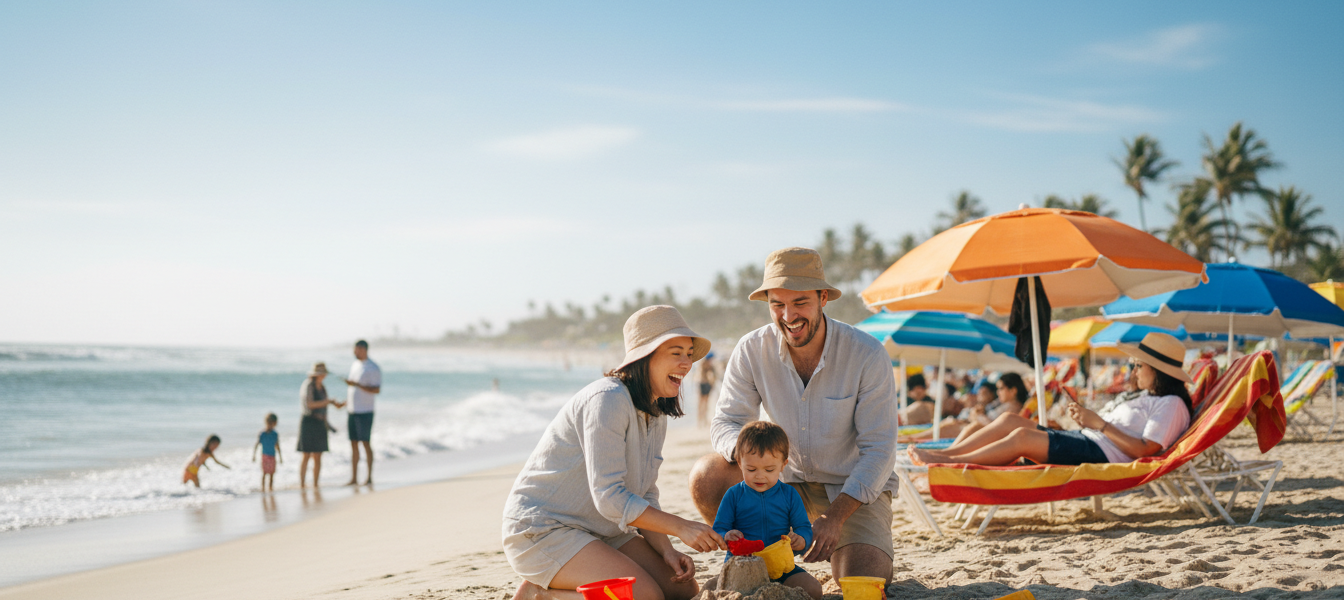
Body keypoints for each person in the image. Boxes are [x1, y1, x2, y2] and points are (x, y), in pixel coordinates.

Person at [690, 247, 898, 585]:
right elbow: (727, 421)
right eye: (777, 304)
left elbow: (880, 450)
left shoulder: (867, 353)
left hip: (852, 491)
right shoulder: (750, 349)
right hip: (782, 482)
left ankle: (842, 550)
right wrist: (755, 460)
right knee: (708, 474)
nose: (788, 315)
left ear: (823, 299)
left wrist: (834, 517)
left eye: (800, 302)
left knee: (864, 581)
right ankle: (758, 559)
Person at [503, 306, 725, 600]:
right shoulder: (607, 399)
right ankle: (543, 594)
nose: (687, 363)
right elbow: (609, 498)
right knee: (645, 597)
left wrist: (666, 549)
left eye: (688, 353)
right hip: (543, 530)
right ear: (644, 357)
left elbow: (644, 492)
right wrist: (680, 526)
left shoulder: (655, 410)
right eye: (676, 352)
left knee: (681, 588)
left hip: (600, 530)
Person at [911, 332, 1194, 467]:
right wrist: (1090, 422)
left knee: (1022, 436)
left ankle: (950, 462)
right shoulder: (1147, 396)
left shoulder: (1171, 405)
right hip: (1089, 440)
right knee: (1010, 419)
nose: (1134, 370)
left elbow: (1146, 450)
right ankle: (945, 455)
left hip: (1101, 453)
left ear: (1158, 371)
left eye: (1138, 365)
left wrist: (1100, 424)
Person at [713, 421, 821, 600]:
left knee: (813, 589)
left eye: (769, 469)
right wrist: (726, 535)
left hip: (781, 567)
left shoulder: (789, 495)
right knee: (714, 588)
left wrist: (801, 540)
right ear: (740, 463)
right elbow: (718, 528)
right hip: (742, 566)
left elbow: (803, 526)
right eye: (751, 469)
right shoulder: (733, 495)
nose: (760, 475)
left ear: (783, 464)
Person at [298, 362, 345, 487]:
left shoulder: (322, 387)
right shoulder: (308, 385)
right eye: (322, 374)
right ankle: (302, 484)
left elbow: (323, 405)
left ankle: (315, 484)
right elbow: (309, 404)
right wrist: (327, 402)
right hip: (309, 422)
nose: (323, 376)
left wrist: (335, 404)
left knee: (318, 456)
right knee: (306, 454)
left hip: (320, 423)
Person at [344, 340, 381, 486]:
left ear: (363, 349)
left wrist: (357, 385)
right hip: (352, 410)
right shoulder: (355, 365)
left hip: (365, 411)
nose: (354, 353)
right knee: (353, 444)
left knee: (366, 443)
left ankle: (369, 477)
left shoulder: (373, 367)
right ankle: (354, 478)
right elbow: (353, 389)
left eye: (356, 350)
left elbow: (376, 390)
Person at [252, 413, 282, 491]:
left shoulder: (275, 434)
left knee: (272, 473)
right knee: (264, 473)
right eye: (269, 423)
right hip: (264, 456)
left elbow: (277, 446)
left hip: (272, 456)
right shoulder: (262, 434)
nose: (270, 425)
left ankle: (270, 488)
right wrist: (254, 455)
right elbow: (257, 444)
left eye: (272, 424)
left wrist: (280, 457)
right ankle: (263, 488)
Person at [696, 353, 717, 428]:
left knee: (704, 403)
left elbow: (713, 376)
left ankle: (703, 420)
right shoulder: (704, 364)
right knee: (702, 403)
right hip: (704, 384)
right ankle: (700, 421)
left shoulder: (707, 365)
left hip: (705, 384)